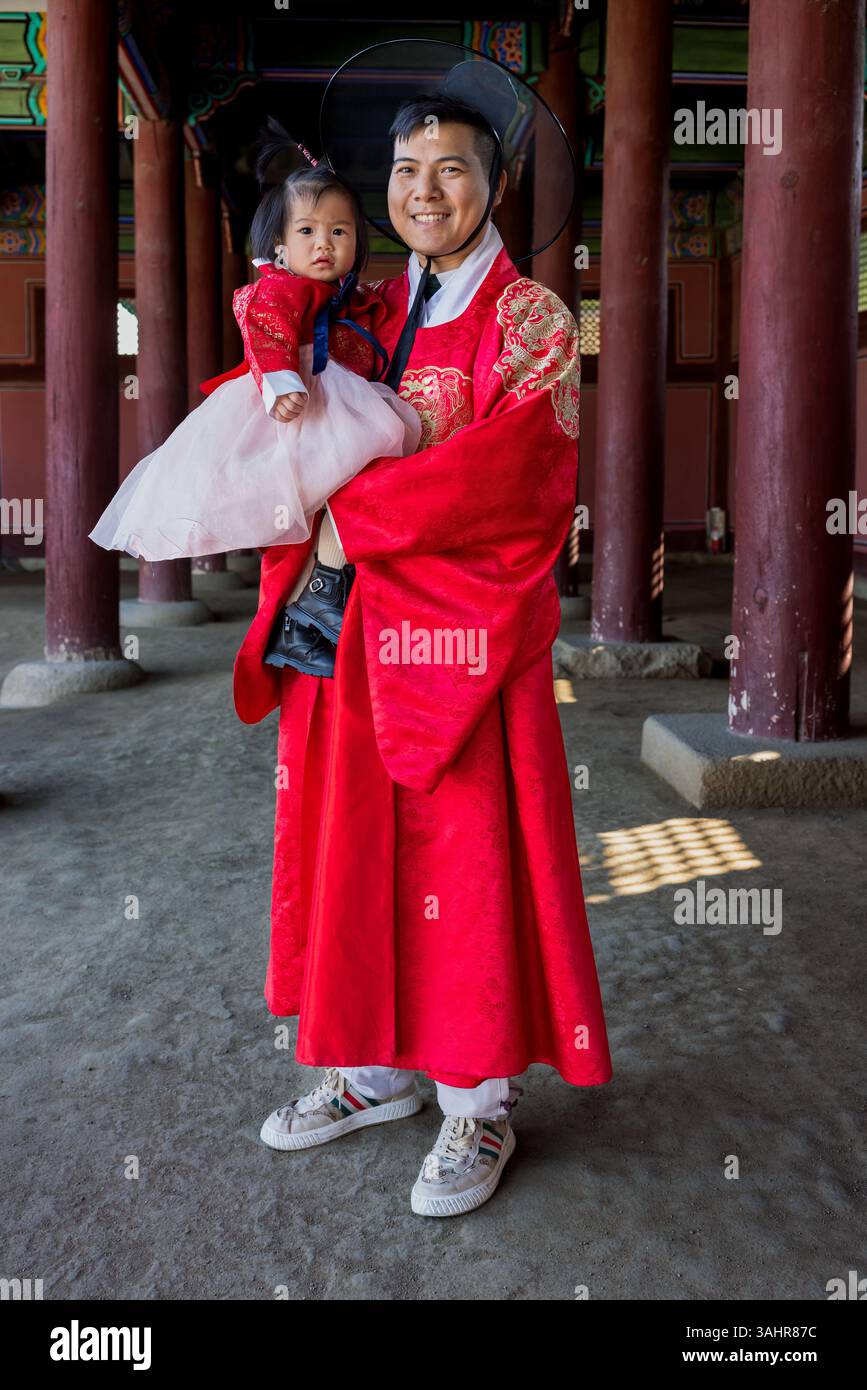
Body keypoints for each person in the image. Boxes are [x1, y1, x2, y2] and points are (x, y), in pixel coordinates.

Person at [239, 50, 613, 1219]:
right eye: (406, 170)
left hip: (469, 650)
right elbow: (280, 403)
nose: (425, 191)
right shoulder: (371, 307)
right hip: (352, 653)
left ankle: (477, 1101)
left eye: (453, 169)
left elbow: (519, 484)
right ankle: (370, 1072)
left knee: (468, 862)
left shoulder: (533, 321)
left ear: (494, 188)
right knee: (355, 856)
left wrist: (359, 523)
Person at [88, 120, 420, 616]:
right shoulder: (281, 288)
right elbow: (266, 329)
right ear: (281, 247)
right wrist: (282, 382)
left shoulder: (346, 296)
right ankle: (313, 604)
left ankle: (326, 599)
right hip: (301, 405)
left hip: (339, 403)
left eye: (339, 231)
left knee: (339, 502)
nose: (323, 243)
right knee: (312, 506)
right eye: (307, 231)